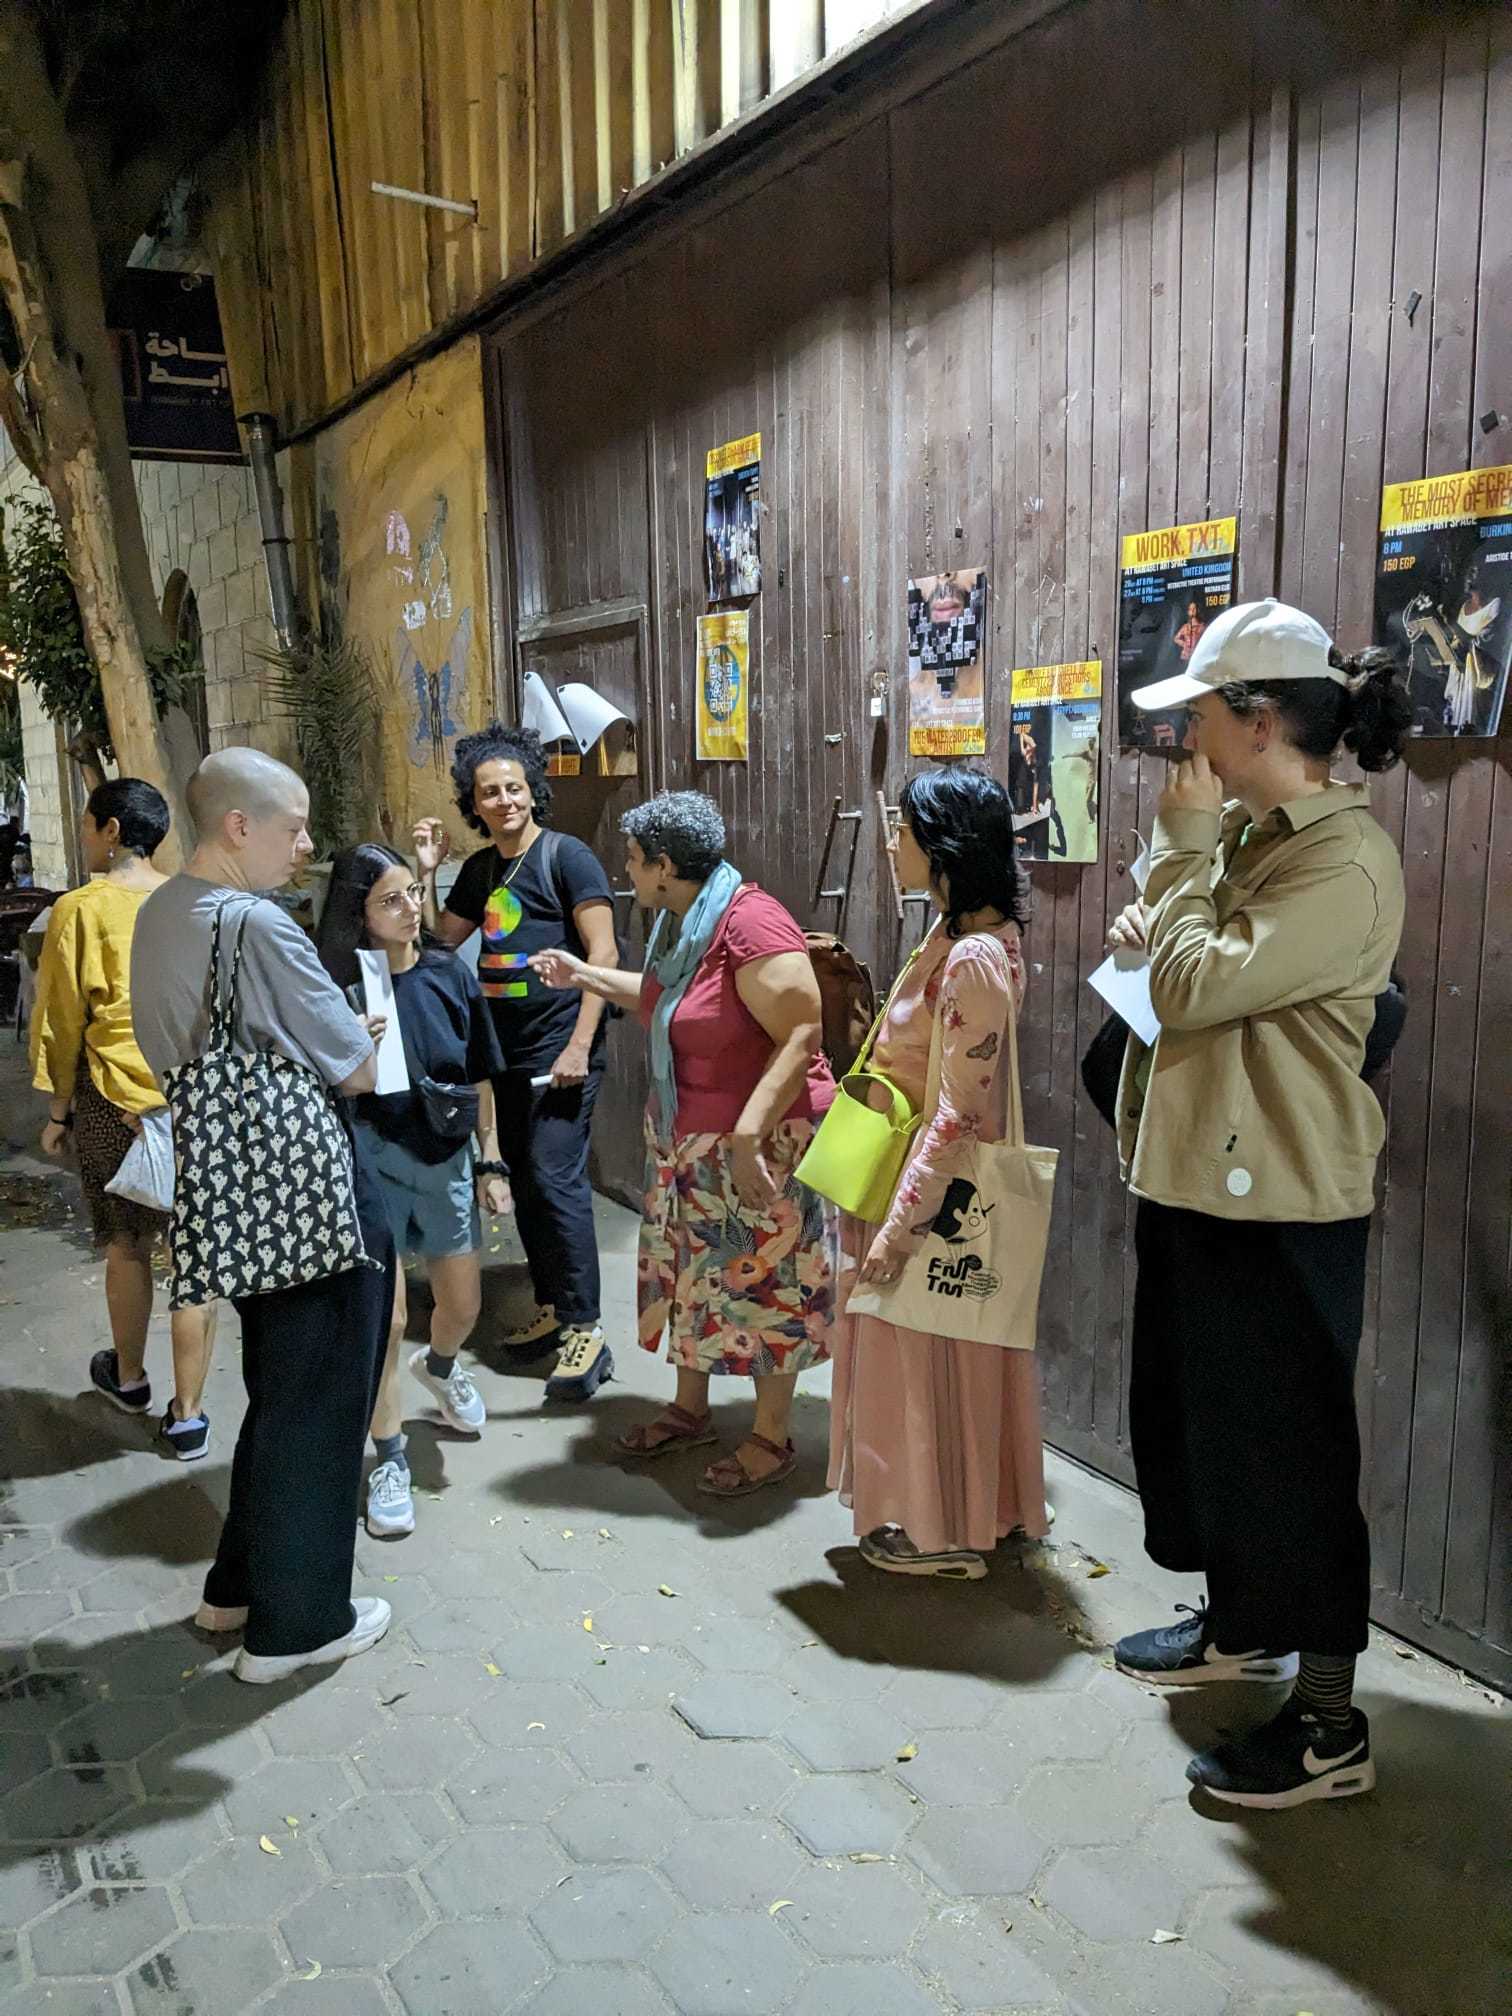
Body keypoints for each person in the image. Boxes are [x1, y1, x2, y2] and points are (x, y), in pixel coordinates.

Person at [1109, 598, 1410, 1808]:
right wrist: (1163, 902)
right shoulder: (1253, 835)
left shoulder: (1343, 860)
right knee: (1207, 1435)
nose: (1188, 740)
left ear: (1260, 720)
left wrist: (1178, 861)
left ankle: (1331, 1730)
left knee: (1293, 1462)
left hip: (1283, 1203)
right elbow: (1185, 965)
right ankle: (1240, 1631)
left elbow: (1192, 991)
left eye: (1201, 715)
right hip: (1202, 1179)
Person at [131, 749, 395, 1684]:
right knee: (320, 1403)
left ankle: (236, 1590)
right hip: (305, 1197)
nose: (307, 844)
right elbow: (355, 1068)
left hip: (234, 1195)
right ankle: (296, 1629)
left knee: (282, 1391)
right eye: (295, 826)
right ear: (238, 827)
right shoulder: (255, 923)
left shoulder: (162, 911)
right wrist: (351, 1035)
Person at [531, 790, 839, 1495]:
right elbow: (659, 998)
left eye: (634, 860)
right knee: (692, 1279)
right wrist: (583, 975)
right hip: (687, 1139)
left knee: (767, 1286)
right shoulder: (682, 924)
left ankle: (771, 1438)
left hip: (761, 1140)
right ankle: (690, 1410)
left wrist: (747, 1136)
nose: (627, 871)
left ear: (665, 866)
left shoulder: (750, 922)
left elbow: (802, 1032)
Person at [827, 769, 1049, 1577]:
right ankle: (967, 1510)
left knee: (920, 1361)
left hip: (927, 1197)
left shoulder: (973, 959)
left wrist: (898, 1230)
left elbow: (959, 1111)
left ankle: (939, 1532)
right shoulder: (959, 939)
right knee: (937, 1354)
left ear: (945, 847)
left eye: (905, 832)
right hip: (914, 1183)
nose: (893, 845)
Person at [414, 724, 617, 1402]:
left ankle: (587, 1329)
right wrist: (424, 873)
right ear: (474, 803)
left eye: (513, 788)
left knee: (555, 1178)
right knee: (528, 1182)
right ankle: (555, 1307)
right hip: (505, 1053)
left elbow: (604, 956)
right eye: (489, 792)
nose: (504, 801)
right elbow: (436, 948)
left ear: (533, 791)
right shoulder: (481, 870)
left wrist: (580, 1046)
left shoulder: (567, 857)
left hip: (561, 1048)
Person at [317, 844, 508, 1539]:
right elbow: (317, 1083)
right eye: (390, 900)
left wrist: (491, 1163)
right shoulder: (339, 986)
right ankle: (390, 1458)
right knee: (388, 1321)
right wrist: (348, 1046)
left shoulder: (446, 973)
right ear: (359, 914)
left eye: (412, 895)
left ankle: (444, 1366)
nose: (409, 909)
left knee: (461, 1305)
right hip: (371, 1156)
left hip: (447, 1153)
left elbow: (480, 1071)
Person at [29, 779, 217, 1458]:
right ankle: (189, 1417)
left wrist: (58, 1110)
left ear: (112, 831)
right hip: (196, 1096)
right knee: (197, 1252)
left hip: (114, 1099)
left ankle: (130, 1378)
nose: (85, 836)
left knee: (127, 1242)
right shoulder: (197, 901)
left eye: (88, 825)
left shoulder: (80, 909)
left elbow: (61, 1017)